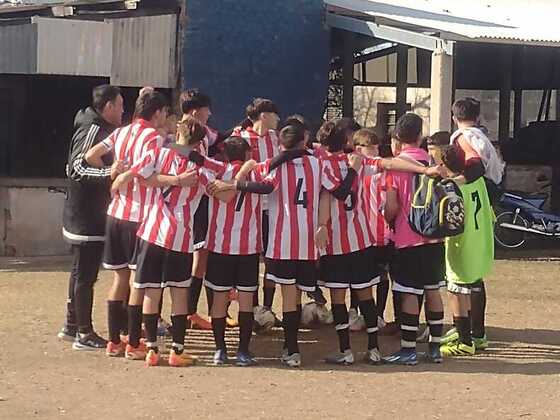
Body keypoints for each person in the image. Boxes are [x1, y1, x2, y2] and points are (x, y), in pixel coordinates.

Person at [208, 121, 356, 367]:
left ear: (281, 144)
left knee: (287, 296)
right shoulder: (317, 164)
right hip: (307, 242)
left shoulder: (273, 165)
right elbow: (337, 192)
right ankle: (290, 349)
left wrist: (235, 182)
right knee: (295, 295)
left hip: (281, 241)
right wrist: (323, 222)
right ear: (303, 140)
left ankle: (290, 350)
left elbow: (263, 186)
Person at [86, 91, 196, 359]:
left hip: (116, 213)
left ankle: (114, 341)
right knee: (139, 282)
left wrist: (113, 171)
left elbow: (91, 155)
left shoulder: (121, 132)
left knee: (119, 277)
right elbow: (148, 170)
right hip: (141, 216)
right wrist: (128, 174)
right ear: (157, 113)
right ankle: (134, 342)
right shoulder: (154, 138)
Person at [316, 122, 429, 365]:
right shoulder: (359, 161)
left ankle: (345, 351)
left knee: (338, 297)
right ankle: (373, 348)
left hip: (336, 243)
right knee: (365, 295)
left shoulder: (323, 165)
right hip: (362, 239)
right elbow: (389, 163)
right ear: (347, 142)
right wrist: (423, 170)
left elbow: (329, 195)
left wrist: (321, 226)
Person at [110, 116, 210, 367]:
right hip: (180, 236)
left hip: (152, 229)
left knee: (151, 290)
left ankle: (152, 350)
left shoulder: (158, 153)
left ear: (178, 134)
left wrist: (126, 176)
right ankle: (177, 351)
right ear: (199, 144)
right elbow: (217, 188)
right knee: (179, 291)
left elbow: (141, 176)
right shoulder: (199, 167)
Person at [59, 84, 124, 350]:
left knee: (79, 272)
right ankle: (84, 333)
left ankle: (72, 325)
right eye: (120, 105)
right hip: (86, 215)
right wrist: (110, 174)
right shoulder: (93, 129)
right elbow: (76, 167)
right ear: (107, 106)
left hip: (84, 212)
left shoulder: (98, 127)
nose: (123, 111)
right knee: (85, 274)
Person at [188, 137, 262, 366]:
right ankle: (243, 351)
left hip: (220, 246)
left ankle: (220, 350)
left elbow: (221, 191)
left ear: (225, 155)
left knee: (219, 300)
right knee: (246, 301)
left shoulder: (216, 174)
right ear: (248, 154)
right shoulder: (256, 175)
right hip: (248, 247)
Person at [440, 98, 503, 350]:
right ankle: (477, 333)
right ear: (477, 116)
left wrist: (456, 182)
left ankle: (465, 337)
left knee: (458, 283)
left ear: (454, 116)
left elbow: (475, 165)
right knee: (475, 279)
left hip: (470, 216)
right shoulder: (480, 135)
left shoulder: (464, 138)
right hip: (485, 205)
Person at [383, 113, 445, 365]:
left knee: (409, 292)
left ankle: (408, 350)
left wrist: (387, 219)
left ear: (397, 138)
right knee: (433, 290)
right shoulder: (435, 164)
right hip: (435, 238)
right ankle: (435, 349)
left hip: (408, 238)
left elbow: (391, 207)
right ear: (420, 137)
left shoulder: (395, 167)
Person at [438, 144, 494, 356]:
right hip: (481, 240)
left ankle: (464, 341)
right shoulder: (476, 179)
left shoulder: (451, 188)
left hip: (462, 243)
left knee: (456, 290)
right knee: (477, 285)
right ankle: (478, 335)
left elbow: (450, 222)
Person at [233, 98, 281, 322]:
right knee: (251, 259)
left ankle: (267, 309)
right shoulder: (240, 138)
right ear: (264, 115)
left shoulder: (277, 139)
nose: (278, 119)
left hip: (272, 207)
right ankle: (250, 310)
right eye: (274, 114)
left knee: (271, 259)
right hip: (249, 209)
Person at [180, 89, 220, 330]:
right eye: (207, 110)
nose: (210, 114)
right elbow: (179, 153)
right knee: (194, 256)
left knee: (203, 254)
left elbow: (220, 137)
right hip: (186, 203)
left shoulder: (203, 133)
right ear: (195, 111)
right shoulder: (179, 135)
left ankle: (191, 311)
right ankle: (185, 312)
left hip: (201, 199)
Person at [353, 128, 395, 333]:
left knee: (378, 275)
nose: (373, 151)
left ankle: (376, 314)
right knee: (365, 275)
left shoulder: (380, 167)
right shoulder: (356, 166)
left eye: (375, 147)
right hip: (366, 231)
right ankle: (364, 313)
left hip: (379, 231)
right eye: (370, 148)